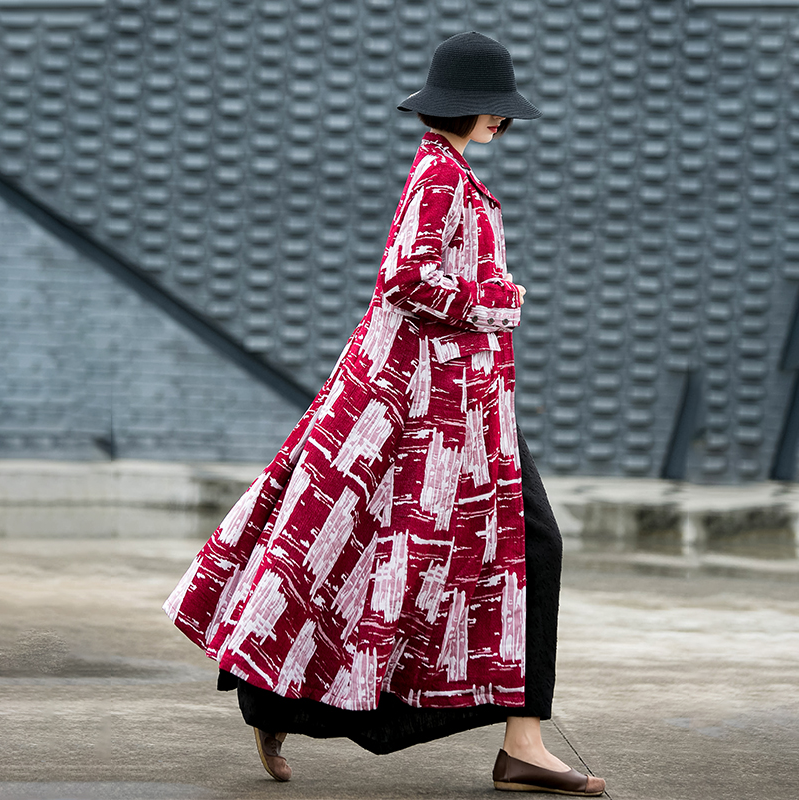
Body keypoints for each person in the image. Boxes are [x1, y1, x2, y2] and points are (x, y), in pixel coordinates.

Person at [163, 31, 606, 797]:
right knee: (462, 555)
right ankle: (285, 703)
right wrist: (496, 303)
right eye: (491, 110)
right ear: (461, 110)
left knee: (450, 557)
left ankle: (519, 740)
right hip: (432, 415)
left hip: (463, 413)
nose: (501, 122)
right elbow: (406, 277)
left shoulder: (451, 171)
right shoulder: (440, 174)